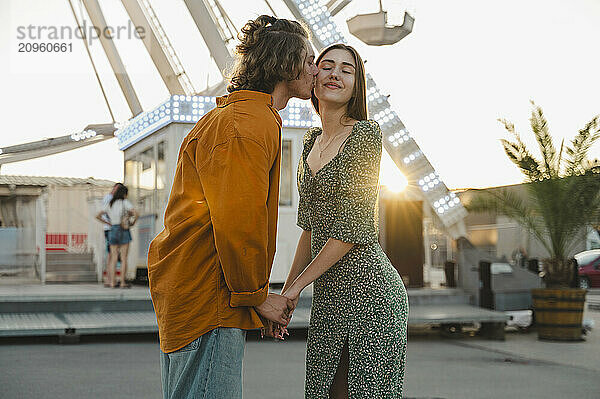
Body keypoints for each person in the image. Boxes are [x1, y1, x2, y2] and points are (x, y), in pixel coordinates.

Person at [146, 15, 319, 399]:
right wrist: (258, 298)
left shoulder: (232, 117)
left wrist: (255, 300)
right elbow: (238, 225)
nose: (315, 69)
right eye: (308, 60)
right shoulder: (248, 124)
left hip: (196, 289)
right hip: (210, 296)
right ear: (286, 62)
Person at [280, 44, 409, 398]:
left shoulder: (366, 135)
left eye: (347, 69)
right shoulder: (308, 143)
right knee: (324, 392)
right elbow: (310, 226)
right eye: (327, 65)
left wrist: (295, 289)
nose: (335, 73)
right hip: (328, 297)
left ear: (357, 85)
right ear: (313, 74)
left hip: (371, 293)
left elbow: (350, 228)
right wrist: (285, 297)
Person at [96, 183, 137, 288]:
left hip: (113, 229)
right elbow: (136, 213)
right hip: (123, 229)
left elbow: (98, 215)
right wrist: (132, 223)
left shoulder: (110, 203)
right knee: (123, 258)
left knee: (113, 258)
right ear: (124, 194)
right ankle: (122, 282)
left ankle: (112, 282)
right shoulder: (125, 202)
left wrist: (109, 223)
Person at [100, 183, 119, 286]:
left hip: (111, 228)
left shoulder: (112, 198)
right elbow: (105, 212)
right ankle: (109, 279)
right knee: (111, 254)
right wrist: (111, 223)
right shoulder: (109, 198)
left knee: (111, 254)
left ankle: (110, 279)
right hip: (110, 228)